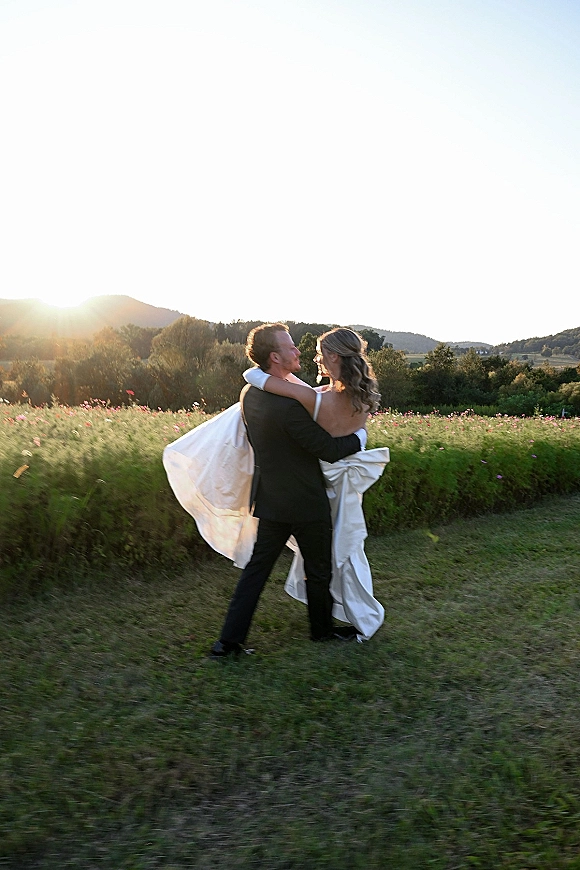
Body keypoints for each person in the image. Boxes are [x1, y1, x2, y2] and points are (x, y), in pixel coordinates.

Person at [208, 323, 367, 657]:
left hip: (270, 497)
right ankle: (321, 632)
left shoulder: (249, 394)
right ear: (275, 357)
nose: (298, 352)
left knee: (257, 570)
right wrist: (361, 438)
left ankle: (228, 641)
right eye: (291, 347)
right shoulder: (291, 406)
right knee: (318, 570)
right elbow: (327, 448)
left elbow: (261, 385)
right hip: (306, 500)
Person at [243, 327, 389, 642]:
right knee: (335, 557)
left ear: (334, 356)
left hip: (313, 483)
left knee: (314, 559)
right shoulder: (359, 397)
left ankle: (324, 627)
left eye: (320, 352)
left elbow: (258, 379)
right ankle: (326, 628)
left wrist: (252, 367)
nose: (313, 357)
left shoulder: (312, 397)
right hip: (339, 484)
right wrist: (361, 437)